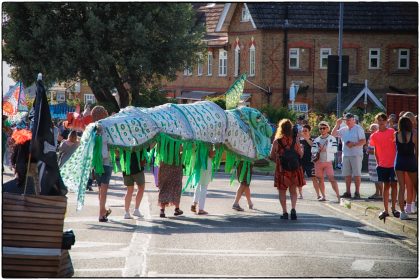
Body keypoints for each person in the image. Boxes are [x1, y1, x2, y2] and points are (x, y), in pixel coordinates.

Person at [269, 119, 305, 220]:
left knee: (282, 191)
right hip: (294, 168)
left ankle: (285, 212)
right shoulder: (295, 140)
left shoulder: (277, 141)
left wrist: (278, 159)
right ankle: (293, 209)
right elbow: (300, 154)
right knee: (293, 190)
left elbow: (272, 156)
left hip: (282, 169)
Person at [369, 113, 399, 221]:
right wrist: (377, 162)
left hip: (393, 164)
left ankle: (394, 208)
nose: (381, 122)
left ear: (386, 121)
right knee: (386, 187)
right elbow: (375, 149)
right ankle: (386, 210)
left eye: (383, 120)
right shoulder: (374, 135)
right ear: (376, 121)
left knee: (394, 186)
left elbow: (397, 146)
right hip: (382, 165)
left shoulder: (392, 132)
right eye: (379, 120)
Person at [332, 112, 366, 199]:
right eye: (346, 120)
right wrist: (337, 124)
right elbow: (333, 134)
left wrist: (354, 144)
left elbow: (363, 141)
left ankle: (357, 192)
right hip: (346, 154)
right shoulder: (343, 129)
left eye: (349, 120)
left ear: (353, 120)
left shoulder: (358, 128)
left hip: (356, 154)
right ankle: (348, 192)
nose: (348, 122)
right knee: (347, 174)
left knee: (357, 174)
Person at [91, 105, 113, 222]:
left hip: (96, 162)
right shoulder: (108, 128)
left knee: (100, 189)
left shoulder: (92, 129)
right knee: (103, 190)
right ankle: (101, 214)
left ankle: (103, 211)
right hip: (106, 162)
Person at [394, 116, 417, 219]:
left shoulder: (396, 134)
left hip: (399, 161)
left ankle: (402, 212)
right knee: (416, 185)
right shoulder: (413, 135)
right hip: (410, 161)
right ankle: (414, 205)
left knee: (402, 187)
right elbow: (417, 151)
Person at [311, 121, 340, 202]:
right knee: (320, 179)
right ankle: (323, 196)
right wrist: (318, 150)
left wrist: (325, 149)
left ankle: (338, 196)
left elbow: (335, 149)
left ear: (327, 129)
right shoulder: (317, 139)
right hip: (318, 162)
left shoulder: (332, 138)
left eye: (324, 128)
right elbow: (312, 149)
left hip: (328, 162)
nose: (322, 130)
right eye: (320, 128)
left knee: (331, 178)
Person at [158, 145, 184, 218]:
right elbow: (181, 149)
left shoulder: (163, 136)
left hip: (164, 164)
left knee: (164, 186)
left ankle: (162, 210)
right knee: (177, 186)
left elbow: (159, 149)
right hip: (176, 164)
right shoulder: (177, 136)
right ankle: (177, 208)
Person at [402, 111, 418, 212]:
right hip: (404, 160)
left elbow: (417, 150)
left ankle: (411, 205)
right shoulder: (400, 132)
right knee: (405, 184)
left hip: (412, 160)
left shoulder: (415, 133)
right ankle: (410, 204)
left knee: (410, 184)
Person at [191, 146, 215, 215]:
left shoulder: (196, 139)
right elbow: (211, 154)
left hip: (197, 164)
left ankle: (194, 204)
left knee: (197, 185)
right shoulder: (208, 140)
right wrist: (216, 150)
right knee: (203, 187)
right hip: (205, 166)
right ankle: (201, 209)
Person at [122, 150, 146, 219]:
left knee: (129, 190)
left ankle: (126, 212)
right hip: (137, 168)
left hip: (126, 169)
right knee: (141, 188)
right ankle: (136, 209)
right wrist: (156, 139)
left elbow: (117, 153)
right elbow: (149, 147)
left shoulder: (122, 140)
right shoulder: (139, 139)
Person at [299, 124, 320, 199]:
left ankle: (318, 195)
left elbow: (312, 146)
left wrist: (306, 138)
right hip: (301, 162)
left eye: (306, 131)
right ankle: (300, 194)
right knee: (300, 178)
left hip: (310, 163)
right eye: (303, 130)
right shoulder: (299, 140)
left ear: (309, 132)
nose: (304, 132)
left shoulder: (312, 140)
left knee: (314, 178)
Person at [366, 123, 383, 199]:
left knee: (378, 177)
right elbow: (368, 147)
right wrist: (367, 149)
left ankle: (381, 194)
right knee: (374, 177)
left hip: (378, 159)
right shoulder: (371, 137)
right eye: (371, 129)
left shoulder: (379, 136)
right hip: (371, 159)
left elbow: (380, 149)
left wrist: (371, 151)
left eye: (374, 128)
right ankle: (377, 193)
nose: (372, 130)